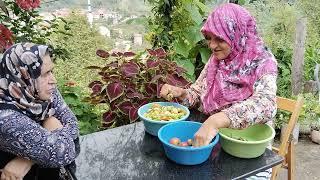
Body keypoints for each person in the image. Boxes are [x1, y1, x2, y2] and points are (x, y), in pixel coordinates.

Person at [160, 3, 277, 178]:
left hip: (246, 149)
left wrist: (216, 120)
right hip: (212, 141)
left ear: (238, 34)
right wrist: (183, 93)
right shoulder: (217, 61)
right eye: (208, 38)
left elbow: (266, 105)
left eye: (220, 39)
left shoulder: (262, 62)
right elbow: (199, 94)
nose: (212, 46)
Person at [0, 43, 80, 180]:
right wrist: (51, 124)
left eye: (51, 71)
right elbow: (66, 151)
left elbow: (74, 130)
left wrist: (26, 160)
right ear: (22, 75)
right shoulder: (5, 118)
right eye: (45, 74)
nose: (53, 81)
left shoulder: (39, 91)